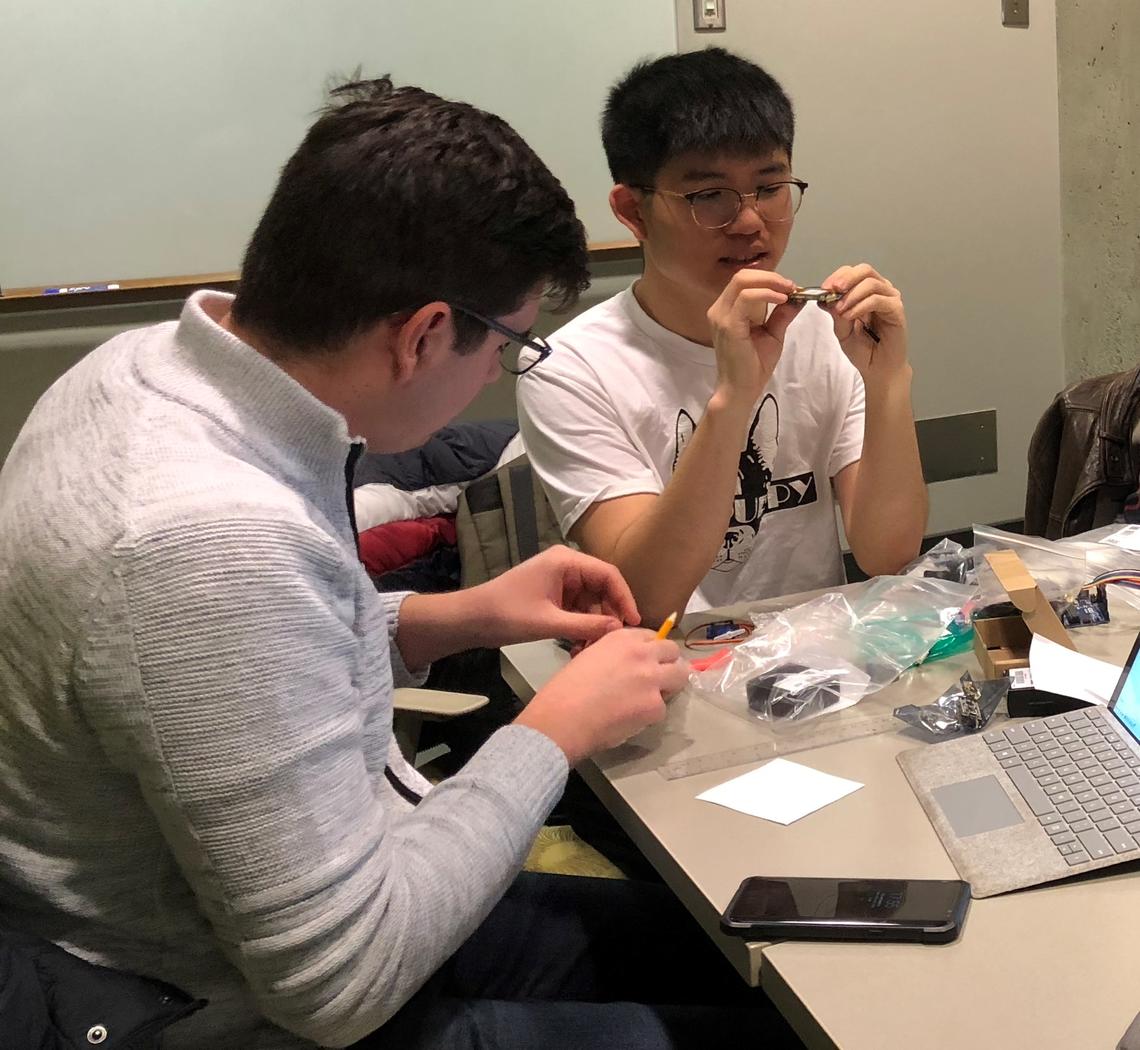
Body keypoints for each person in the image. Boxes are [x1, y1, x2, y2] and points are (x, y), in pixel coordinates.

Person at [0, 78, 802, 1049]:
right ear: (425, 335)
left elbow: (226, 672)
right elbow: (337, 986)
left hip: (339, 883)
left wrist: (449, 617)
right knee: (771, 1028)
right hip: (224, 1002)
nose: (500, 372)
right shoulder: (206, 539)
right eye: (505, 343)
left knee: (737, 945)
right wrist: (553, 732)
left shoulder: (137, 370)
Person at [517, 48, 928, 627]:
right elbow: (646, 598)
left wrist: (888, 380)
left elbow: (889, 554)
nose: (750, 220)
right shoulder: (569, 368)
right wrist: (734, 398)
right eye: (709, 195)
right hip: (659, 677)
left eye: (770, 186)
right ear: (633, 210)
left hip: (812, 668)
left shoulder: (821, 334)